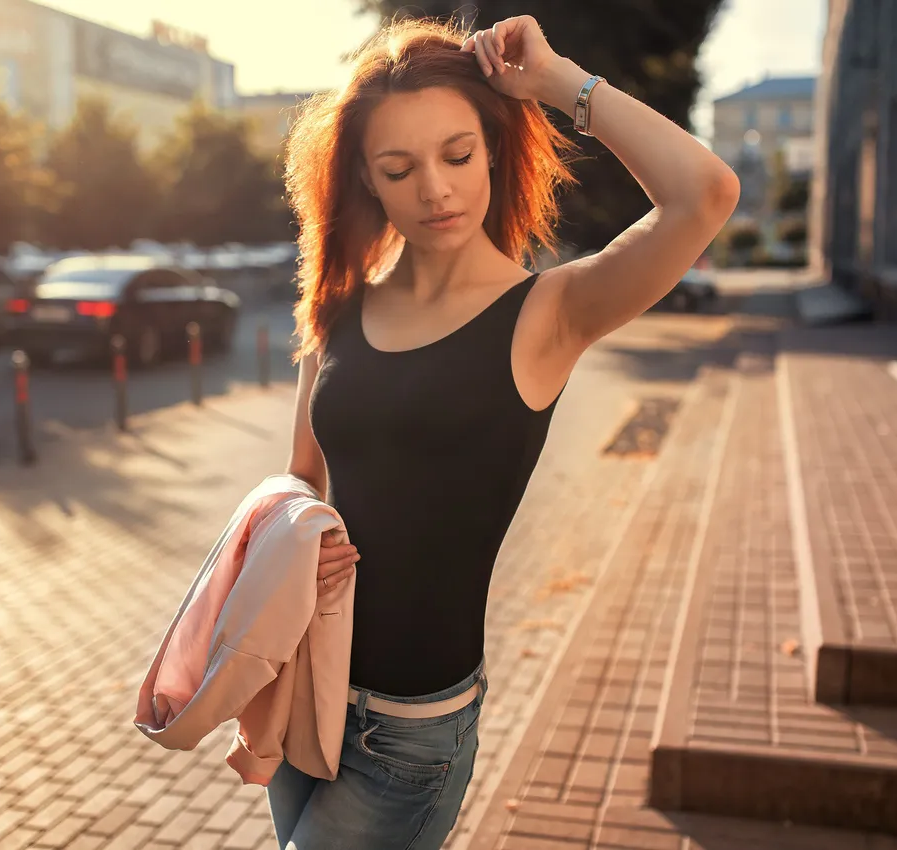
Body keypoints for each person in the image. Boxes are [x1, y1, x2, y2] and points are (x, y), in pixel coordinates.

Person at [270, 14, 739, 849]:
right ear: (367, 181)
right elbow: (302, 477)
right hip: (301, 680)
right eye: (399, 168)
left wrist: (559, 82)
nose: (436, 190)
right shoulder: (341, 306)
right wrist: (298, 534)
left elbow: (704, 194)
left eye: (457, 155)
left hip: (407, 734)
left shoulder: (549, 313)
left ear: (492, 150)